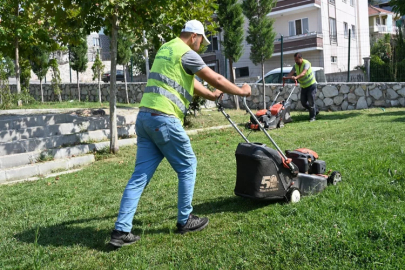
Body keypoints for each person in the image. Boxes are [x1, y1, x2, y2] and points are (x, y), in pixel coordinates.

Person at [109, 20, 251, 248]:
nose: (200, 46)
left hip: (145, 118)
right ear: (194, 35)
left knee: (139, 177)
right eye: (201, 41)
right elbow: (217, 79)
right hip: (164, 120)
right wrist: (242, 92)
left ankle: (120, 231)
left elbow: (191, 83)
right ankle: (185, 220)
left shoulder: (167, 48)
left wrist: (212, 96)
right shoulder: (186, 52)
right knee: (188, 165)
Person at [283, 53, 318, 122]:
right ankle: (315, 110)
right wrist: (286, 78)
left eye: (297, 59)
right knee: (303, 102)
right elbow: (291, 73)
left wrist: (296, 77)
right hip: (304, 86)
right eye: (295, 60)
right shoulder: (295, 65)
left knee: (311, 101)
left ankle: (312, 117)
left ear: (301, 58)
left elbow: (303, 73)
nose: (296, 61)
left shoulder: (306, 63)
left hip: (311, 85)